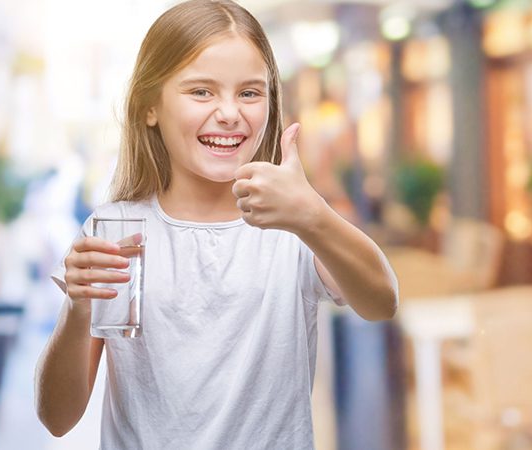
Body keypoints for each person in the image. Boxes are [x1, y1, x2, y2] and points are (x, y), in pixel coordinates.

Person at [33, 1, 399, 448]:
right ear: (150, 106)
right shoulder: (116, 230)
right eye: (201, 92)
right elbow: (57, 418)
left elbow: (382, 303)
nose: (229, 113)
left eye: (249, 92)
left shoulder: (293, 222)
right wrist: (78, 309)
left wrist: (314, 216)